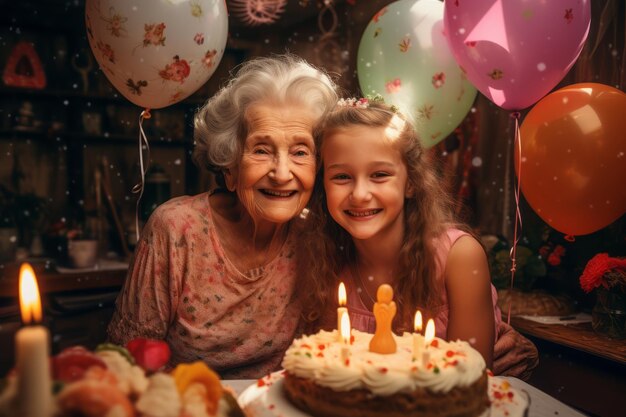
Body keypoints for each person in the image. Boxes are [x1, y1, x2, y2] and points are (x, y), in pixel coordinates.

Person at [107, 54, 338, 379]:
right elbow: (128, 361)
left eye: (300, 152)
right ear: (229, 166)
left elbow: (319, 359)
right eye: (261, 150)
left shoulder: (315, 238)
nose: (282, 173)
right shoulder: (175, 229)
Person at [299, 97, 538, 374]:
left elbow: (468, 380)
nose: (360, 194)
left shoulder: (459, 257)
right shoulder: (326, 260)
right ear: (322, 185)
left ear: (411, 182)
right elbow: (331, 375)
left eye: (379, 174)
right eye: (341, 177)